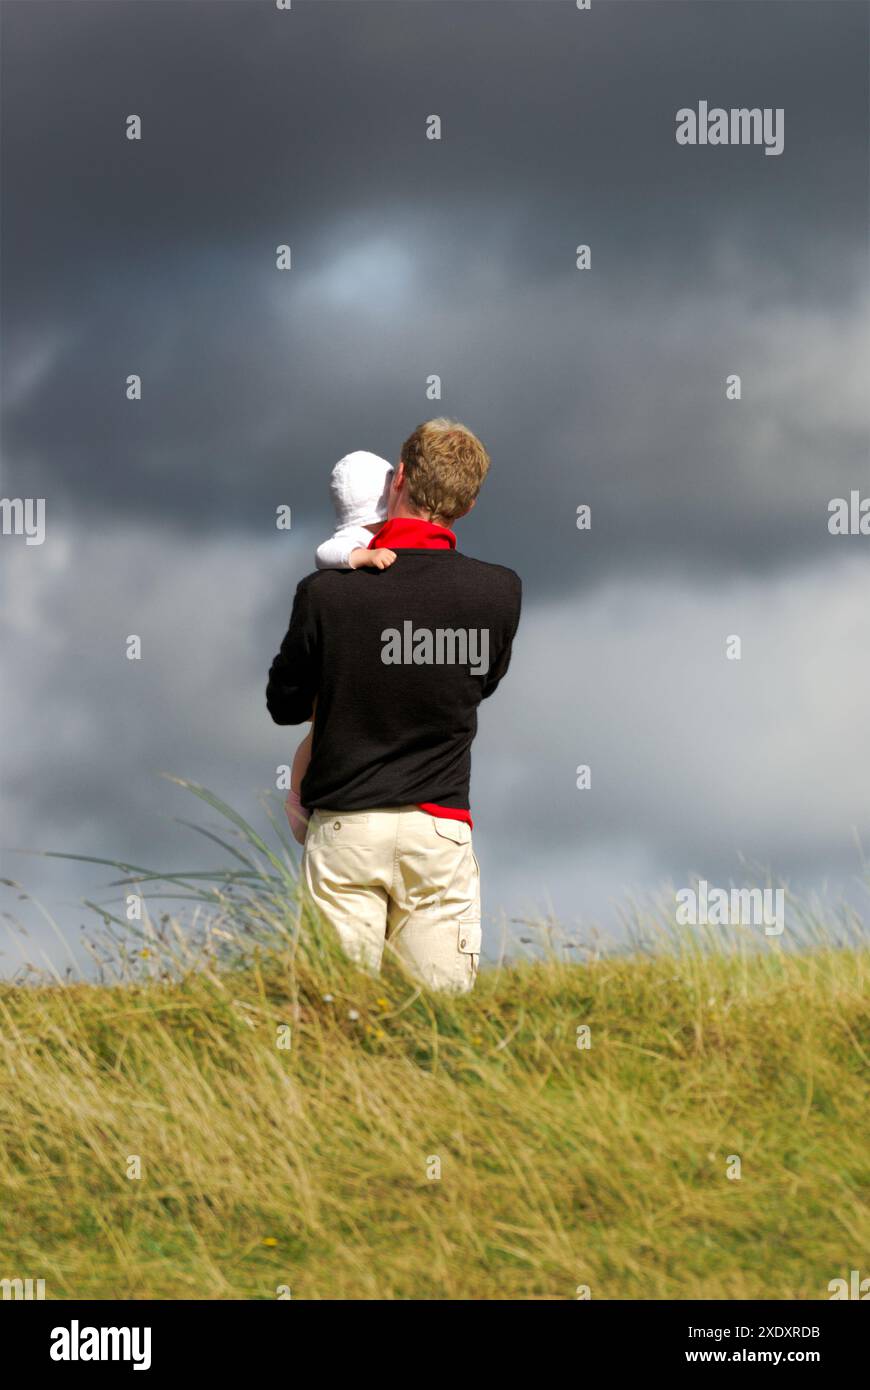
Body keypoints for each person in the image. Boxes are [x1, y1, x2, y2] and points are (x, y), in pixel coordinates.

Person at [266, 418, 522, 993]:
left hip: (345, 825)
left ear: (399, 477)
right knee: (437, 1020)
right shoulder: (500, 591)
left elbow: (284, 705)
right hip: (440, 828)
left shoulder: (324, 593)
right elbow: (478, 685)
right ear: (469, 505)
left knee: (335, 1014)